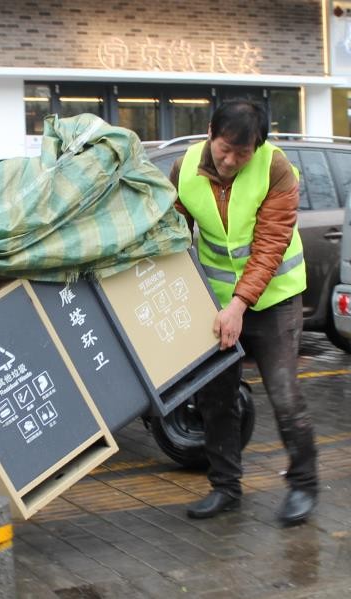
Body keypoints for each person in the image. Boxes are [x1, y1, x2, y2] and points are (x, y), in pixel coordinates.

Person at [168, 98, 318, 525]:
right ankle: (225, 488)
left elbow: (271, 244)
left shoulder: (276, 169)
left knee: (285, 396)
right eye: (224, 149)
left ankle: (304, 486)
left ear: (258, 146)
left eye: (242, 152)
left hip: (273, 301)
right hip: (217, 301)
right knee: (216, 399)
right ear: (211, 132)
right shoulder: (184, 169)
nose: (231, 160)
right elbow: (173, 232)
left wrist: (239, 304)